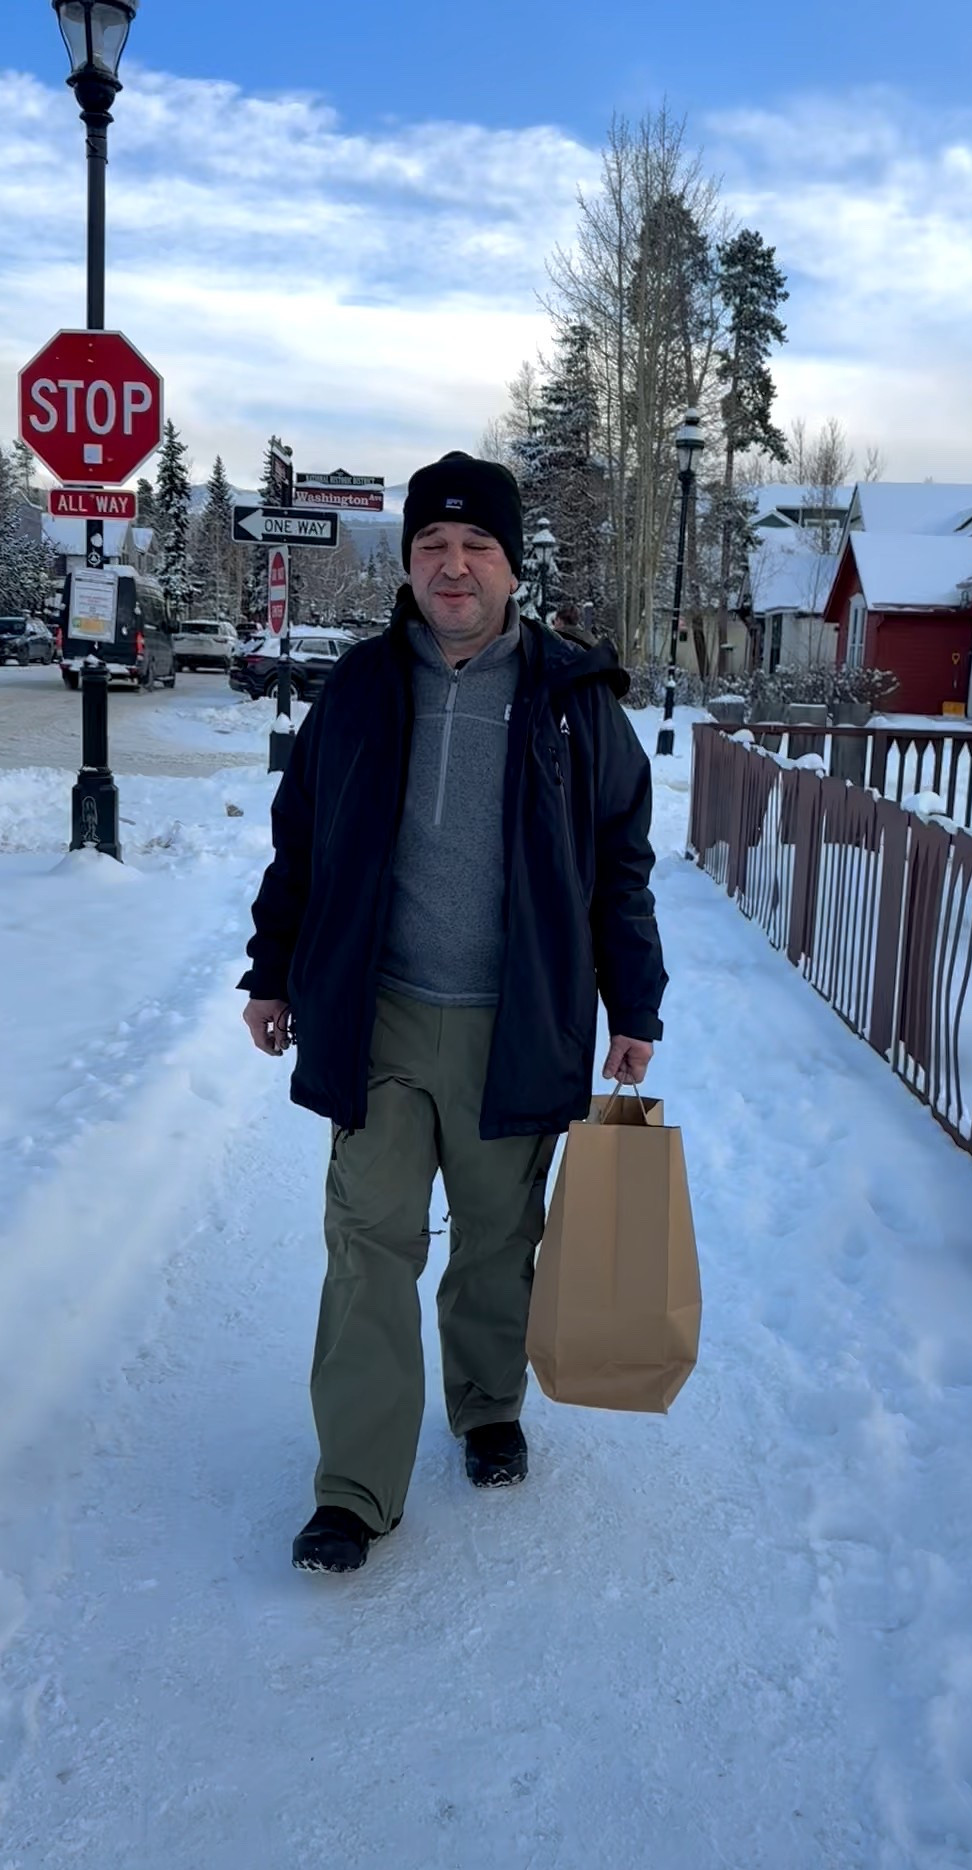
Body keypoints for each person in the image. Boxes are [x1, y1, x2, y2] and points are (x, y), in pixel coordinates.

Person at [241, 452, 667, 1574]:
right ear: (410, 563)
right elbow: (302, 844)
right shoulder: (361, 691)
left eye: (477, 546)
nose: (455, 564)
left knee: (496, 1242)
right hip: (377, 1016)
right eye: (434, 545)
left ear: (511, 567)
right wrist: (272, 971)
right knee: (368, 1246)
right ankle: (353, 1487)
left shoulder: (577, 702)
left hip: (513, 1020)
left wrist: (636, 1002)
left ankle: (486, 1408)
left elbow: (620, 864)